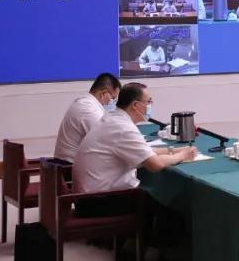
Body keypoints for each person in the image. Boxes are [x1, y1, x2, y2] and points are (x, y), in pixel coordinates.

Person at [73, 83, 196, 216]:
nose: (151, 105)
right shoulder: (123, 128)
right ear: (135, 105)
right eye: (149, 102)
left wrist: (174, 150)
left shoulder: (113, 119)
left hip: (90, 197)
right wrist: (182, 156)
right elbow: (155, 164)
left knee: (158, 198)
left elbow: (144, 150)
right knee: (171, 207)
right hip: (99, 202)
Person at [54, 73, 122, 162]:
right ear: (103, 93)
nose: (112, 102)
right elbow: (106, 142)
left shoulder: (85, 103)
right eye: (113, 98)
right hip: (69, 166)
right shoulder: (89, 109)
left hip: (71, 163)